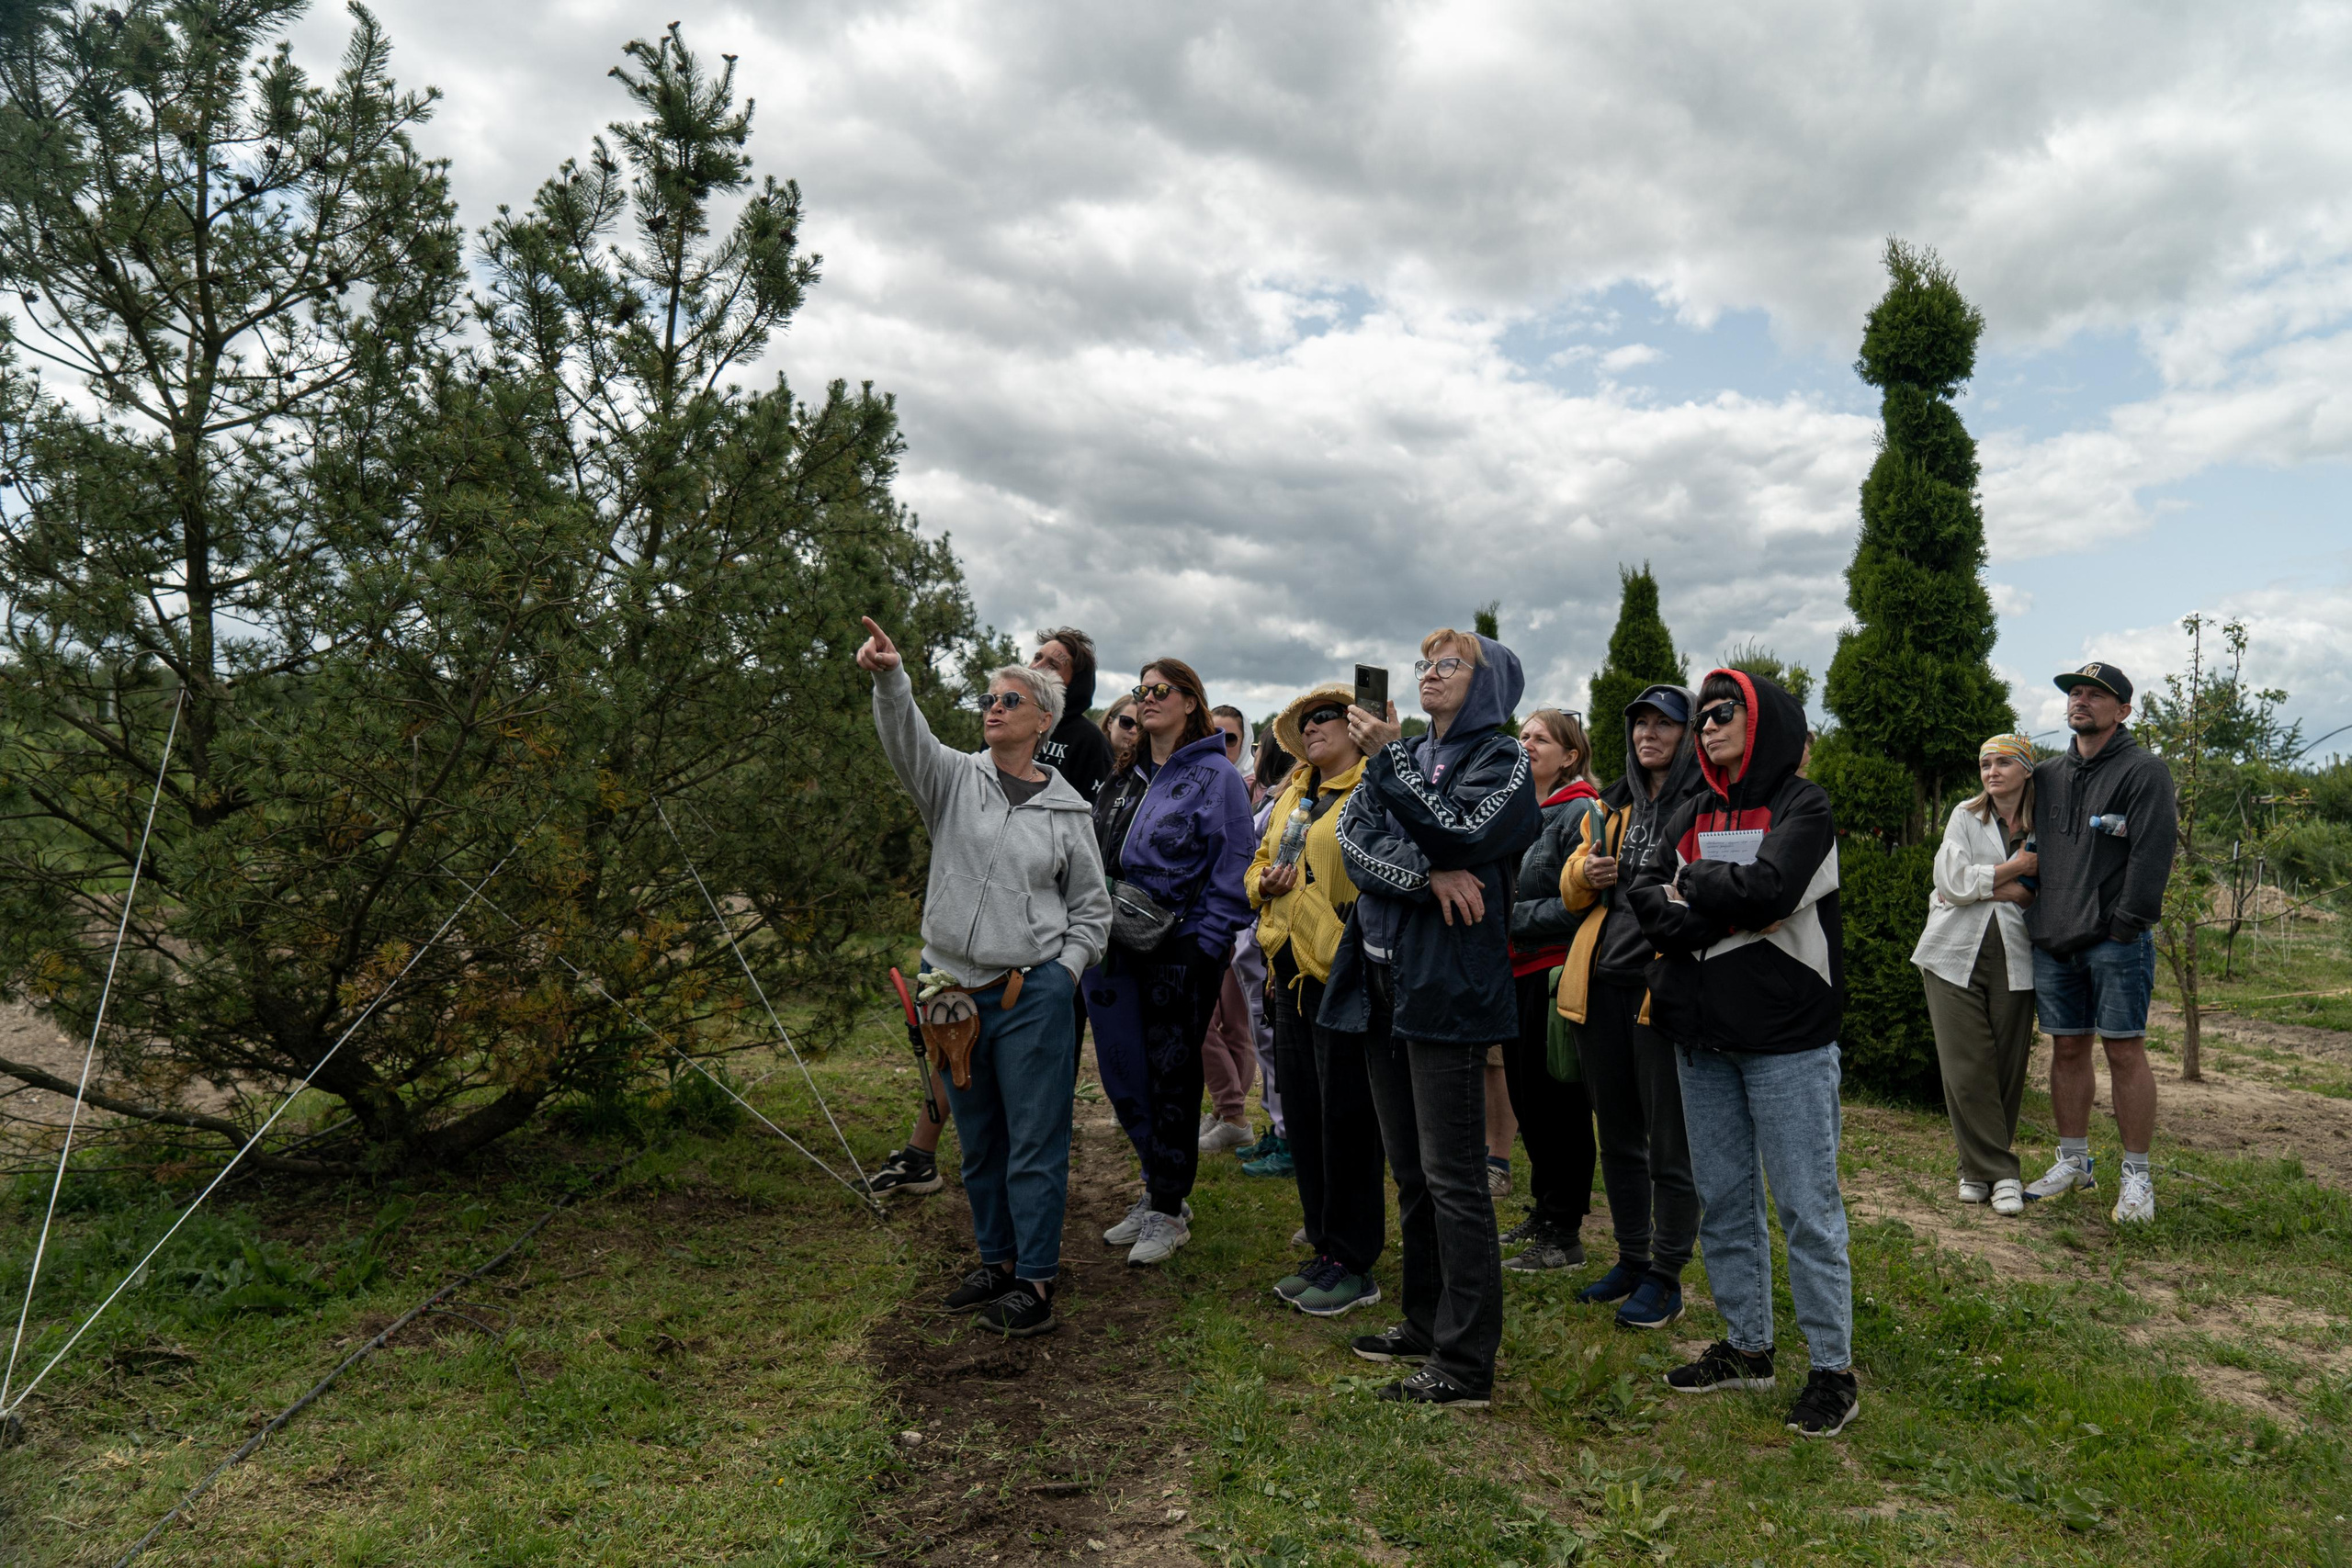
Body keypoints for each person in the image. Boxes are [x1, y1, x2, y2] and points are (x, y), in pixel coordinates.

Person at [859, 617, 1112, 1337]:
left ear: (1042, 719)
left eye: (1009, 700)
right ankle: (995, 1260)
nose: (992, 708)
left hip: (1030, 995)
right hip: (951, 993)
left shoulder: (1069, 810)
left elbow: (1093, 909)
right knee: (978, 1138)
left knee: (1035, 1139)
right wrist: (890, 676)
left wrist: (1063, 974)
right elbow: (905, 736)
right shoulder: (952, 780)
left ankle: (1034, 1281)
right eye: (989, 698)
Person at [1631, 669, 1859, 1438]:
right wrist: (1705, 905)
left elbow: (1769, 886)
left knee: (1805, 1208)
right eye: (1703, 715)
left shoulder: (1805, 804)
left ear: (1767, 722)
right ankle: (1747, 1346)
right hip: (1700, 1036)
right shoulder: (1692, 804)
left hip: (1786, 1041)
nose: (1707, 726)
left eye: (1725, 712)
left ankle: (1832, 1370)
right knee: (1725, 1200)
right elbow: (1642, 895)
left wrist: (1692, 886)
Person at [1323, 628, 1540, 1409]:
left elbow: (1466, 830)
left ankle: (1466, 1360)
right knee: (1410, 1168)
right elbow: (1355, 841)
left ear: (1487, 683)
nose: (1429, 675)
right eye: (1425, 664)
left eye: (1449, 664)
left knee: (1455, 1177)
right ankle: (1422, 1324)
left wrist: (1392, 771)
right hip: (1380, 980)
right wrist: (1429, 873)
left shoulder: (1505, 760)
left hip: (1446, 987)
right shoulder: (1407, 755)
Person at [1084, 659, 1256, 1266]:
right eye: (1140, 688)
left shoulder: (1216, 775)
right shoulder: (1124, 775)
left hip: (1182, 947)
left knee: (1173, 1074)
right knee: (1122, 1069)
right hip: (1110, 941)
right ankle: (1158, 1184)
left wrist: (1204, 943)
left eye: (1161, 689)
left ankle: (1167, 1204)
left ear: (1190, 702)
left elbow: (1235, 862)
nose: (1147, 698)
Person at [1558, 683, 1706, 1329]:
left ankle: (1667, 1276)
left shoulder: (1704, 805)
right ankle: (1631, 1257)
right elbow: (1568, 885)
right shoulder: (1610, 806)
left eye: (1665, 724)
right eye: (1640, 723)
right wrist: (1583, 876)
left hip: (1662, 992)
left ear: (1689, 731)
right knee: (1616, 1136)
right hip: (1600, 988)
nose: (1649, 734)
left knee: (1668, 1145)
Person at [2024, 662, 2177, 1224]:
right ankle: (2074, 1162)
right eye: (2075, 692)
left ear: (2124, 710)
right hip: (2053, 939)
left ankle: (2136, 1175)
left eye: (2096, 694)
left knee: (2124, 1050)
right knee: (2066, 1049)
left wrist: (2125, 924)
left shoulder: (2145, 771)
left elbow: (2153, 854)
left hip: (2116, 941)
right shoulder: (2046, 775)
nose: (2081, 700)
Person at [1249, 683, 1385, 1316]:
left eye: (1327, 716)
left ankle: (1355, 1260)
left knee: (1348, 1118)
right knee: (1303, 1114)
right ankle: (1325, 1244)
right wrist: (1264, 881)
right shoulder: (1292, 794)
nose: (1314, 727)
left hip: (1341, 971)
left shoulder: (1373, 788)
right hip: (1285, 970)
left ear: (1357, 726)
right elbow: (1257, 862)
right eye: (1306, 721)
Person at [1914, 734, 2041, 1216]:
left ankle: (1975, 1171)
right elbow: (1951, 883)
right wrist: (2015, 871)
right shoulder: (1965, 816)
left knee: (2005, 1067)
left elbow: (2040, 893)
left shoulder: (2043, 823)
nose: (1992, 772)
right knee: (1966, 1066)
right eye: (1985, 764)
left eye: (2004, 763)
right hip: (1952, 952)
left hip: (2017, 953)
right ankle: (2005, 1173)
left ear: (2027, 769)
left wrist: (1991, 883)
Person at [1497, 709, 1601, 1273]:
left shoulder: (1581, 811)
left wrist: (1507, 917)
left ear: (1570, 756)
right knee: (1525, 1097)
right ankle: (1542, 1210)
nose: (1527, 743)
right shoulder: (1517, 812)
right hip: (1514, 974)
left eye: (1541, 738)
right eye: (1524, 735)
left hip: (1556, 973)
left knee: (1559, 1103)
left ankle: (1565, 1232)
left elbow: (1578, 904)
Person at [1199, 705, 1263, 1155]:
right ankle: (1230, 1111)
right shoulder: (1200, 784)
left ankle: (1231, 1114)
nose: (1223, 745)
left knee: (1236, 1027)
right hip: (1205, 919)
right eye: (1214, 735)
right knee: (1203, 1021)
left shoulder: (1257, 792)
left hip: (1244, 923)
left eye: (1233, 738)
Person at [1031, 628, 1115, 804]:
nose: (1037, 667)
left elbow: (1097, 812)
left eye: (1053, 666)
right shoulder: (1003, 718)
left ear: (1073, 682)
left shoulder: (1089, 741)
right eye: (1038, 658)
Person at [1100, 693, 1138, 772]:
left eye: (1140, 726)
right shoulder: (1089, 756)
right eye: (1126, 722)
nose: (1133, 731)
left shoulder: (1145, 771)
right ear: (1110, 723)